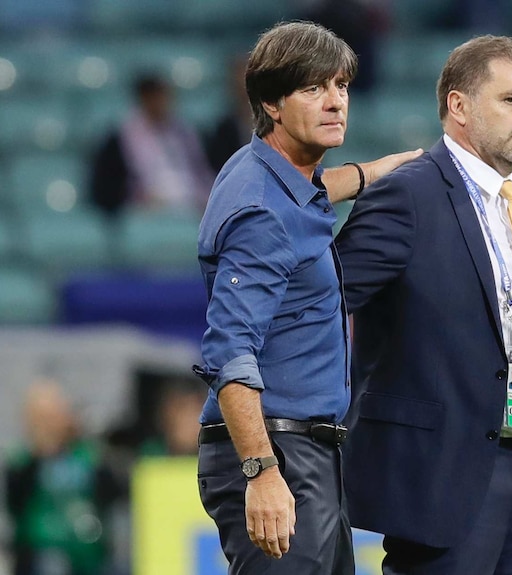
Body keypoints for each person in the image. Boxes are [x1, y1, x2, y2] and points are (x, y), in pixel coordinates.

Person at [335, 35, 512, 574]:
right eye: (511, 100)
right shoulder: (407, 195)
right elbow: (323, 307)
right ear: (459, 106)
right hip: (441, 476)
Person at [192, 21, 421, 574]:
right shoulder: (262, 214)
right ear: (272, 102)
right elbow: (228, 351)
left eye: (341, 86)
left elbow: (313, 194)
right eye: (314, 89)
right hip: (277, 452)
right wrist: (261, 472)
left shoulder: (266, 171)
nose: (336, 101)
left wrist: (380, 171)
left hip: (304, 451)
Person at [4, 379, 117, 575]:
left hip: (89, 557)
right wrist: (41, 453)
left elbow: (114, 491)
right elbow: (16, 502)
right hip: (42, 557)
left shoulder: (89, 457)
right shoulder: (21, 462)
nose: (50, 424)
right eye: (43, 418)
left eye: (54, 415)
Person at [89, 73, 215, 215]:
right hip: (143, 211)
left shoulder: (185, 133)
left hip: (191, 206)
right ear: (144, 98)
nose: (162, 102)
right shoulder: (121, 138)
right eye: (156, 97)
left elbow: (201, 172)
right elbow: (109, 187)